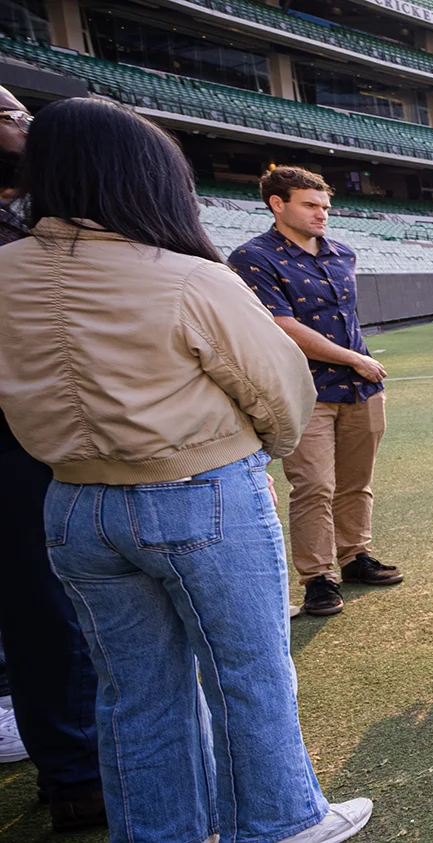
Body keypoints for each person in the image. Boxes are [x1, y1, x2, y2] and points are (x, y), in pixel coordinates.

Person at [0, 97, 372, 843]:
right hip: (199, 492)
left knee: (132, 691)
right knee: (248, 674)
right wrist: (249, 452)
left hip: (74, 502)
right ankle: (279, 820)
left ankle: (160, 829)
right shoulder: (186, 275)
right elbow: (282, 389)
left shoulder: (5, 271)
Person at [228, 166, 403, 617]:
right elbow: (284, 327)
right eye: (310, 205)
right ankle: (318, 577)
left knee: (356, 482)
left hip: (362, 389)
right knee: (314, 487)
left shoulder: (342, 253)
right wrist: (355, 360)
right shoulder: (252, 257)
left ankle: (354, 556)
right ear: (277, 204)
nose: (321, 214)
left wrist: (359, 367)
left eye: (325, 206)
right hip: (306, 389)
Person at [0, 84, 105, 833]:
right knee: (49, 607)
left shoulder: (25, 223)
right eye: (10, 115)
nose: (24, 125)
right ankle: (76, 771)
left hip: (35, 435)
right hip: (17, 442)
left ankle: (68, 761)